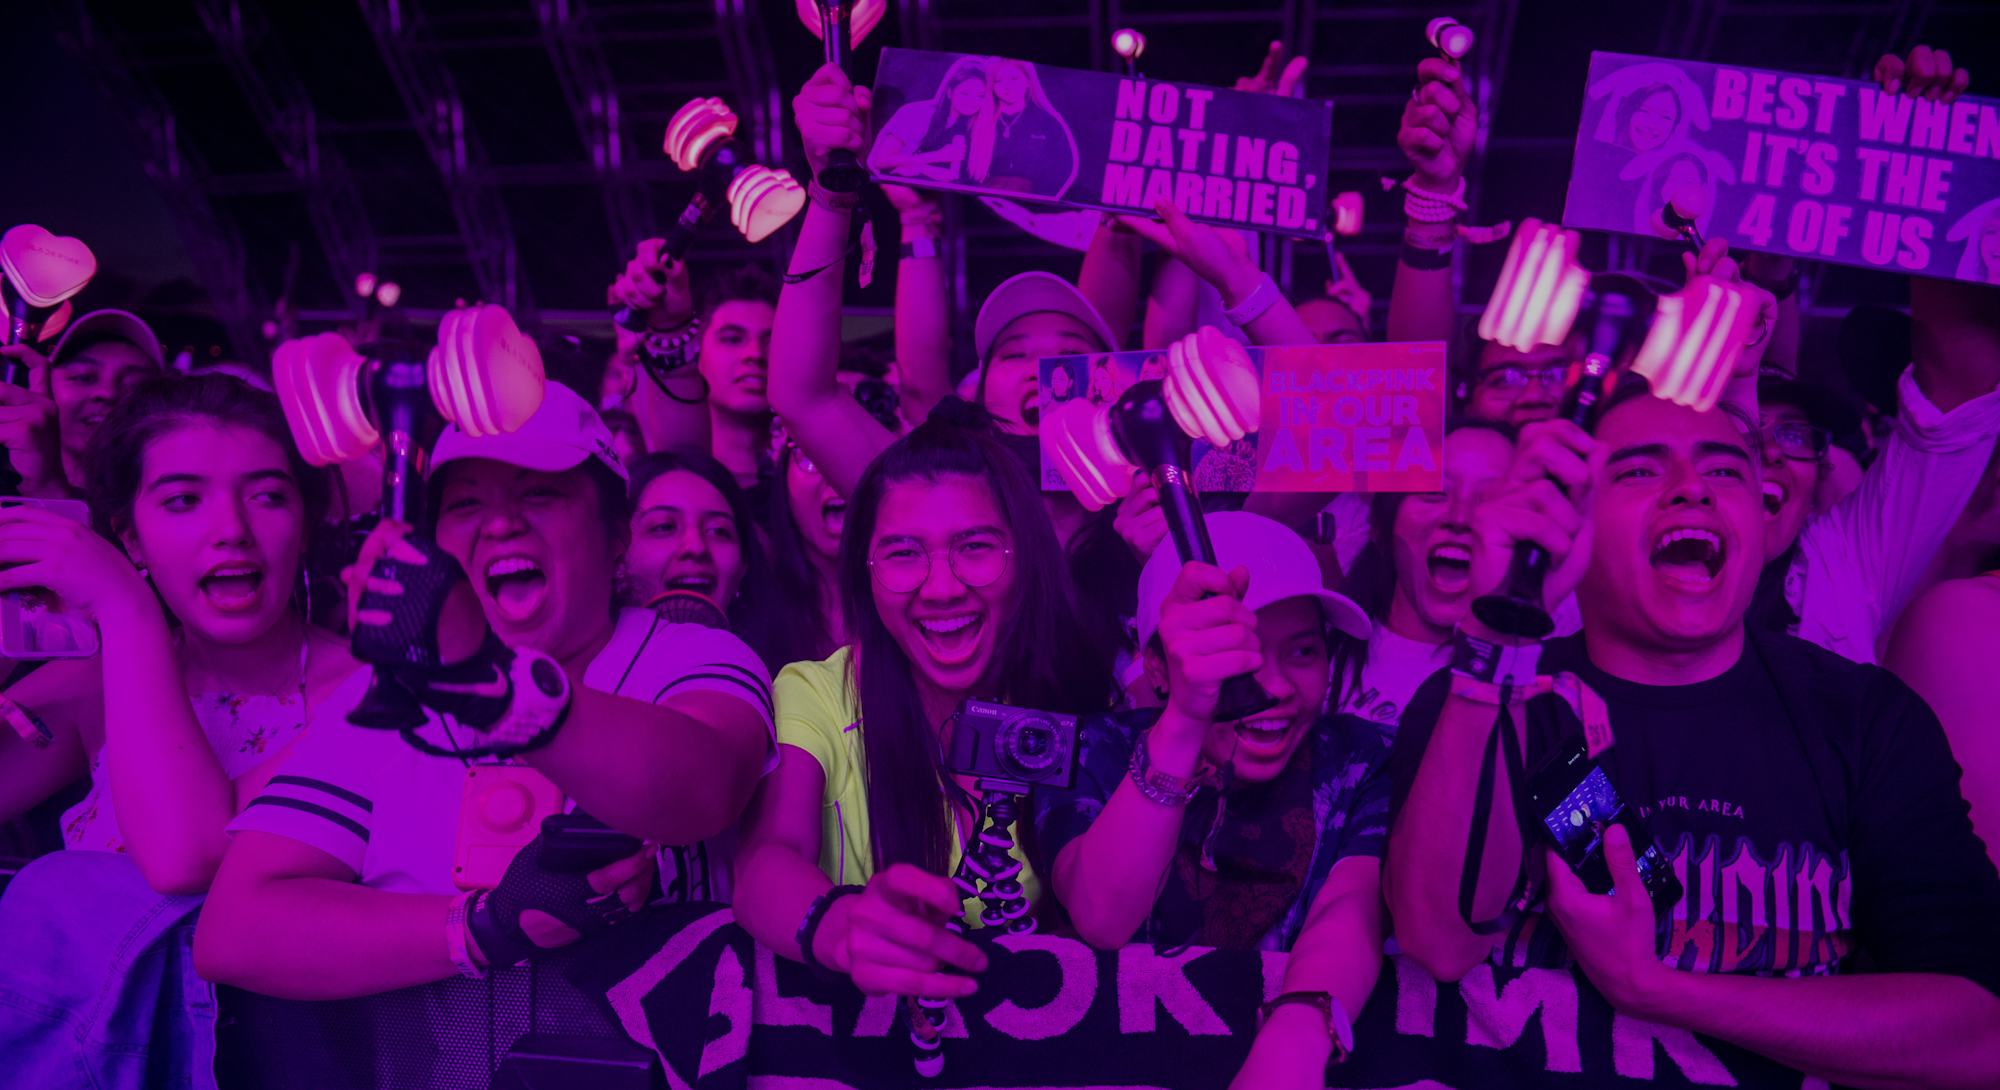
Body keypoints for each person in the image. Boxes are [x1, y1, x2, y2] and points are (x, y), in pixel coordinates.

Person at [1382, 387, 2000, 1088]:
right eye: (1640, 471)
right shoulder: (1497, 695)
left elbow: (1978, 1033)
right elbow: (1439, 941)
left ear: (1762, 519)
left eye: (1725, 471)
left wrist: (1656, 988)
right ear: (1569, 520)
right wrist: (1500, 636)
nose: (1691, 493)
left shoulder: (1862, 718)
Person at [195, 383, 776, 999]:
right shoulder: (385, 694)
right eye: (467, 504)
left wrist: (487, 679)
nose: (501, 524)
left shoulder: (688, 655)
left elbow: (705, 790)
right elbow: (235, 931)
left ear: (616, 537)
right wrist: (482, 927)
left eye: (540, 493)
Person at [0, 372, 353, 1088]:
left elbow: (186, 858)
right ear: (129, 535)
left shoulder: (364, 692)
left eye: (268, 496)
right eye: (184, 501)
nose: (232, 530)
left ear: (305, 522)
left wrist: (125, 609)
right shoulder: (95, 680)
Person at [732, 404, 1112, 1000]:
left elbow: (1102, 908)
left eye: (975, 547)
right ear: (866, 571)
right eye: (904, 554)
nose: (940, 588)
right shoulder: (818, 692)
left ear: (1024, 557)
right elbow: (766, 862)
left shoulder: (1054, 700)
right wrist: (839, 925)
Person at [1032, 512, 1380, 1087]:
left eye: (1301, 652)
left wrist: (1296, 1036)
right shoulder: (1092, 747)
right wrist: (1188, 719)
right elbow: (1100, 915)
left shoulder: (1359, 758)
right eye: (1239, 655)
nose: (1275, 688)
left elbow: (1352, 907)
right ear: (1158, 669)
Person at [1337, 421, 1517, 727]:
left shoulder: (1549, 677)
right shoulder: (1313, 651)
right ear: (1381, 526)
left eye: (1492, 500)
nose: (1460, 518)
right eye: (1434, 492)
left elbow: (1600, 778)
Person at [608, 258, 779, 495]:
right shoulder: (659, 478)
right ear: (696, 351)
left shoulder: (808, 474)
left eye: (771, 342)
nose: (755, 354)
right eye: (732, 338)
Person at [622, 451, 797, 672]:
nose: (696, 547)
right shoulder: (578, 679)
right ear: (618, 552)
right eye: (664, 527)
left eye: (718, 531)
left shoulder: (785, 681)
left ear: (744, 565)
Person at [869, 56, 995, 184]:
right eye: (965, 93)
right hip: (900, 183)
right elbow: (881, 160)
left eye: (980, 95)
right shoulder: (918, 113)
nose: (971, 102)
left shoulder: (977, 127)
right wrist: (938, 156)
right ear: (950, 92)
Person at [983, 59, 1078, 198]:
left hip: (1031, 204)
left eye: (1014, 78)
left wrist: (1039, 197)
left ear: (1028, 82)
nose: (1006, 86)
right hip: (986, 200)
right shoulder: (981, 121)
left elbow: (1063, 167)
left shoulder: (1047, 122)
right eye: (998, 81)